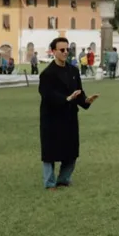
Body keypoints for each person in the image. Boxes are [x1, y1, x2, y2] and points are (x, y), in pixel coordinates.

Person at [38, 37, 98, 190]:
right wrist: (65, 98)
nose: (66, 52)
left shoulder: (73, 71)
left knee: (71, 150)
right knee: (50, 152)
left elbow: (79, 92)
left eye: (67, 49)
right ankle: (50, 183)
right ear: (53, 52)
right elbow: (47, 94)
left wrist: (86, 101)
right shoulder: (47, 74)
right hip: (52, 117)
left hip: (70, 116)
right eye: (62, 50)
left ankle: (64, 178)